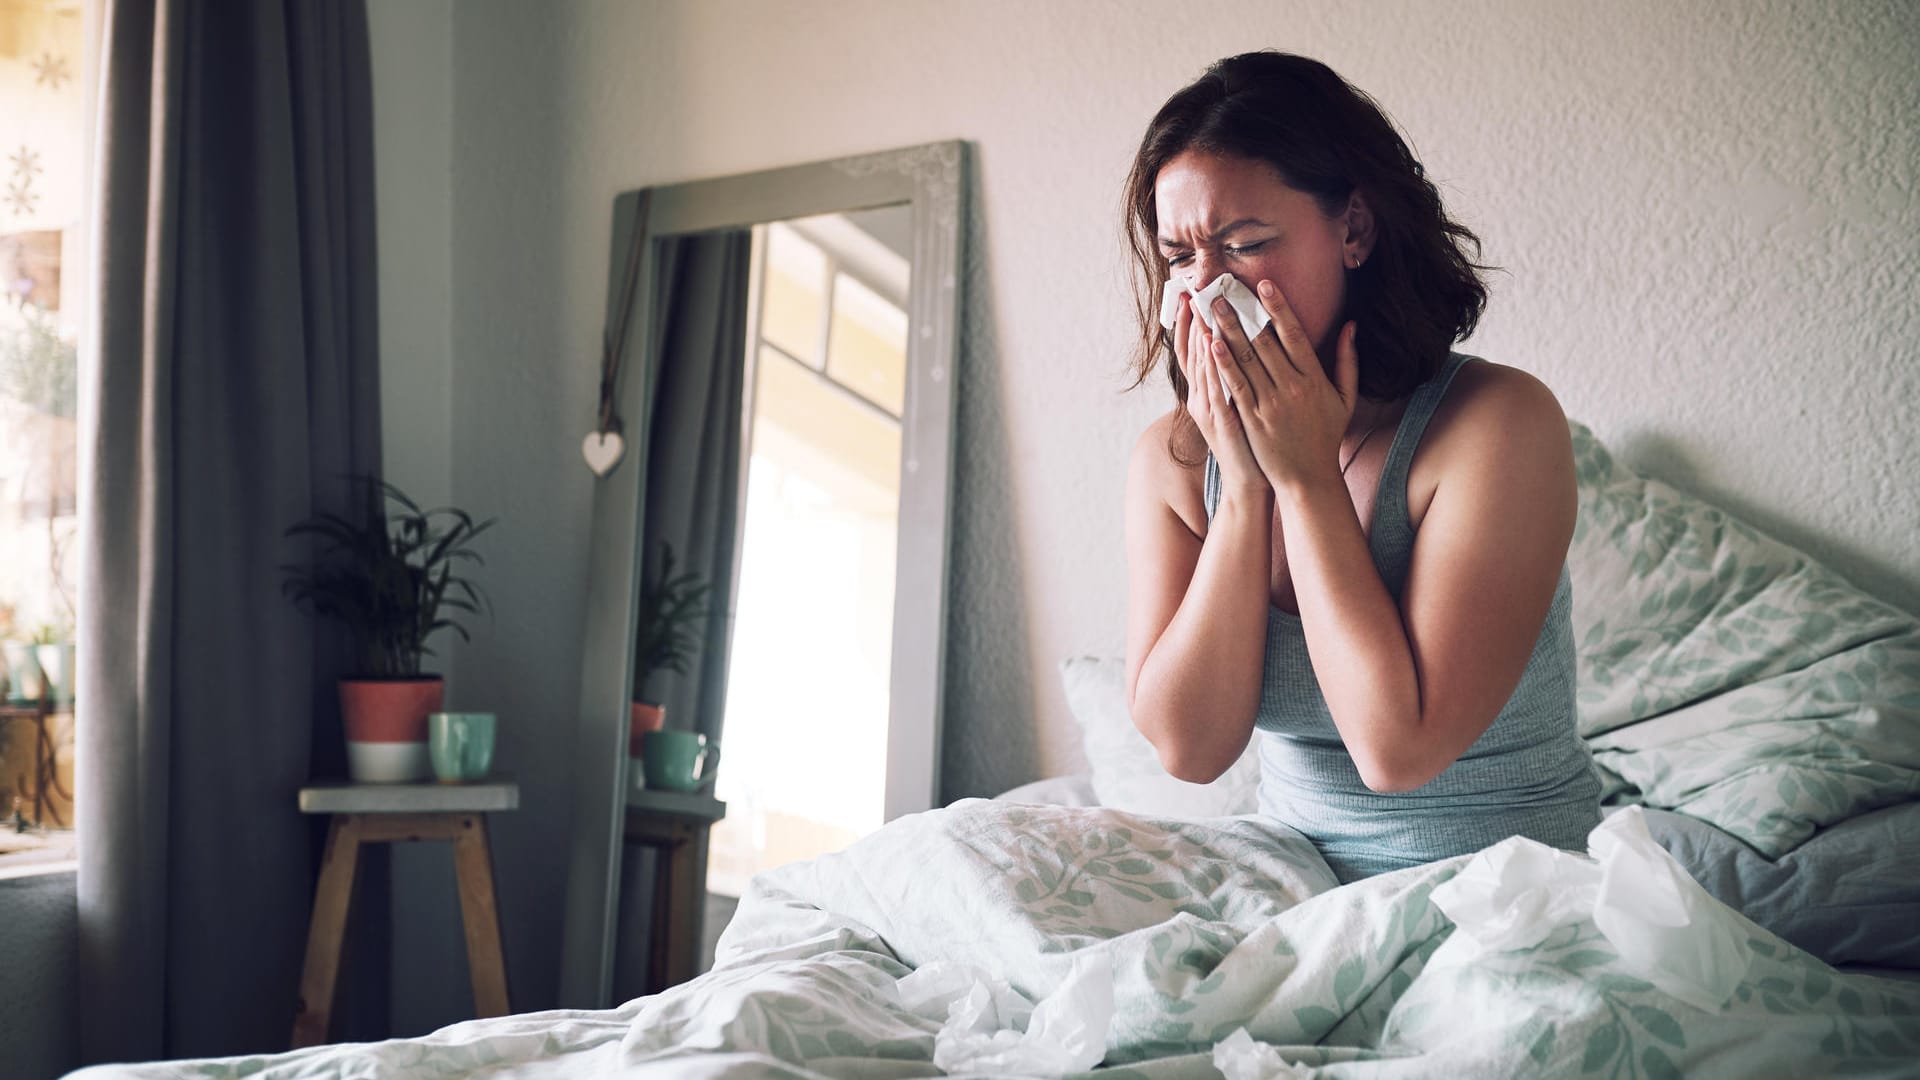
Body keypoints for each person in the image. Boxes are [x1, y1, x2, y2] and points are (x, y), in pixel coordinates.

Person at [1122, 51, 1600, 883]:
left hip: (1501, 891)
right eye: (1179, 258)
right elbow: (1189, 751)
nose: (1204, 293)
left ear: (1353, 230)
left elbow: (1396, 749)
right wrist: (1244, 489)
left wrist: (1304, 481)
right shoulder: (1176, 458)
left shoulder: (1497, 426)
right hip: (1295, 894)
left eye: (1243, 246)